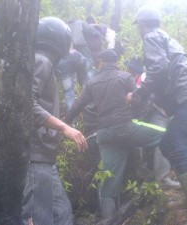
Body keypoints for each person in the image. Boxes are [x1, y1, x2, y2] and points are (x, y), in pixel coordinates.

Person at [126, 5, 187, 225]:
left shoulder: (151, 36)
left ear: (142, 23)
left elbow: (158, 69)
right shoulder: (165, 37)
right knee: (168, 143)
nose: (138, 28)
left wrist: (138, 94)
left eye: (138, 24)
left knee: (177, 146)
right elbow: (168, 73)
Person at [65, 49, 166, 219]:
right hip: (127, 128)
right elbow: (138, 101)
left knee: (109, 186)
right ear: (115, 62)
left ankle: (108, 220)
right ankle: (164, 178)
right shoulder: (125, 77)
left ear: (103, 62)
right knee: (167, 134)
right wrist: (140, 116)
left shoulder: (92, 82)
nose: (97, 65)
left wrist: (64, 123)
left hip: (105, 135)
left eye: (98, 62)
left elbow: (77, 105)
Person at [21, 17, 87, 225]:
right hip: (36, 157)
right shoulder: (41, 60)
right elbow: (25, 106)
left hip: (44, 159)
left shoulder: (43, 62)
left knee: (63, 216)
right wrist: (64, 127)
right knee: (39, 219)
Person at [125, 57, 180, 188]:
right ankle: (144, 172)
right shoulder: (136, 78)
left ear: (133, 69)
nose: (127, 70)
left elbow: (147, 95)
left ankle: (162, 178)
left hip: (157, 111)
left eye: (129, 68)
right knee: (142, 140)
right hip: (149, 113)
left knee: (162, 137)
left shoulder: (144, 77)